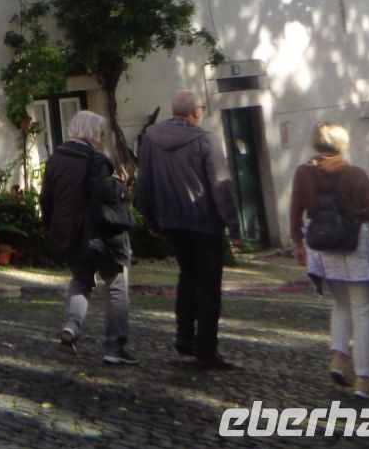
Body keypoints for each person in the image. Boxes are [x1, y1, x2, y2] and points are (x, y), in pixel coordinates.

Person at [288, 122, 369, 399]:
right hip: (355, 243)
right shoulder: (354, 174)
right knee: (362, 310)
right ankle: (363, 376)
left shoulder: (303, 173)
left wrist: (296, 242)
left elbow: (295, 209)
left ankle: (338, 356)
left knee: (340, 303)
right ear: (341, 143)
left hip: (323, 244)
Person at [135, 89, 239, 369]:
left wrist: (151, 219)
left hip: (172, 221)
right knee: (208, 286)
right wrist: (233, 225)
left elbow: (143, 182)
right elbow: (221, 185)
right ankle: (206, 348)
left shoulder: (151, 139)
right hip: (204, 222)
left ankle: (184, 336)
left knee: (188, 276)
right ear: (195, 112)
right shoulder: (205, 140)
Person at [41, 110, 136, 366]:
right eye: (101, 133)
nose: (102, 138)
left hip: (70, 234)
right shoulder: (96, 159)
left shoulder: (55, 160)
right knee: (116, 286)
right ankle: (115, 347)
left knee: (81, 280)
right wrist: (120, 185)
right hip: (100, 234)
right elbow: (106, 192)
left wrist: (51, 229)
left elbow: (46, 201)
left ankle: (71, 327)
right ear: (92, 133)